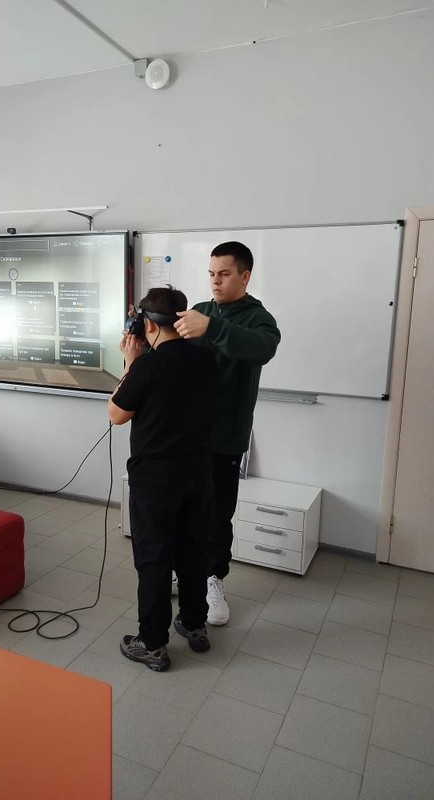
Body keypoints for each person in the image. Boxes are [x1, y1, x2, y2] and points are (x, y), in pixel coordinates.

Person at [108, 287, 218, 672]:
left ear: (148, 325)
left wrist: (129, 362)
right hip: (199, 473)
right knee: (193, 551)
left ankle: (152, 644)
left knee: (154, 558)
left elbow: (116, 414)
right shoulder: (207, 359)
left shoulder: (146, 366)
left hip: (155, 480)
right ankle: (194, 623)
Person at [174, 241, 281, 625]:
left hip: (225, 439)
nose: (215, 282)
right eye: (211, 274)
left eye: (224, 274)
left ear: (244, 276)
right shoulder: (199, 310)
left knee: (217, 515)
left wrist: (212, 328)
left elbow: (262, 348)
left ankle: (212, 579)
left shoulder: (258, 319)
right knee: (184, 509)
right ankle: (186, 570)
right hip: (187, 435)